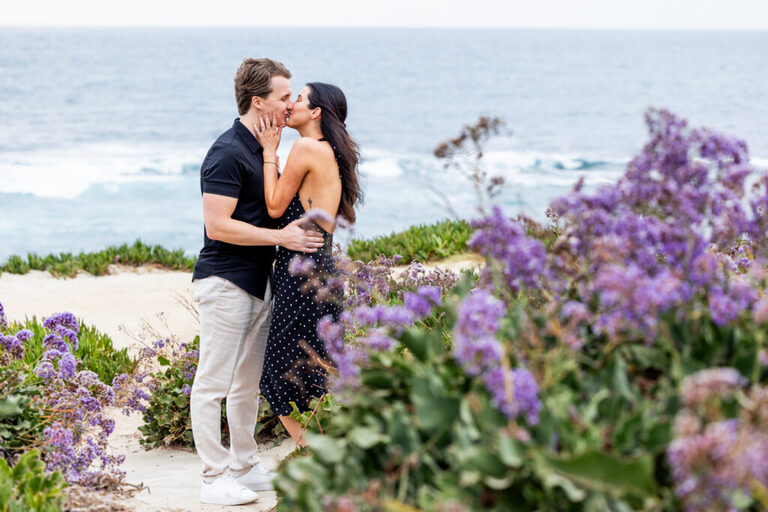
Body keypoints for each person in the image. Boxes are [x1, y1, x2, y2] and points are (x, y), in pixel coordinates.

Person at [190, 58, 325, 506]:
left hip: (259, 283)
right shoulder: (227, 152)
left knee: (246, 385)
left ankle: (244, 466)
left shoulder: (262, 147)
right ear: (258, 102)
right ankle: (213, 478)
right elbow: (217, 226)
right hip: (224, 281)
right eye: (284, 97)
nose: (290, 105)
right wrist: (280, 237)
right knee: (212, 384)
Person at [254, 82, 363, 447]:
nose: (291, 105)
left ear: (315, 112)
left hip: (301, 276)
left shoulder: (304, 147)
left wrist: (270, 151)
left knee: (276, 375)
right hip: (323, 272)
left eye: (298, 99)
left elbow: (273, 207)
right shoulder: (330, 152)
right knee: (319, 375)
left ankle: (311, 455)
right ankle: (326, 457)